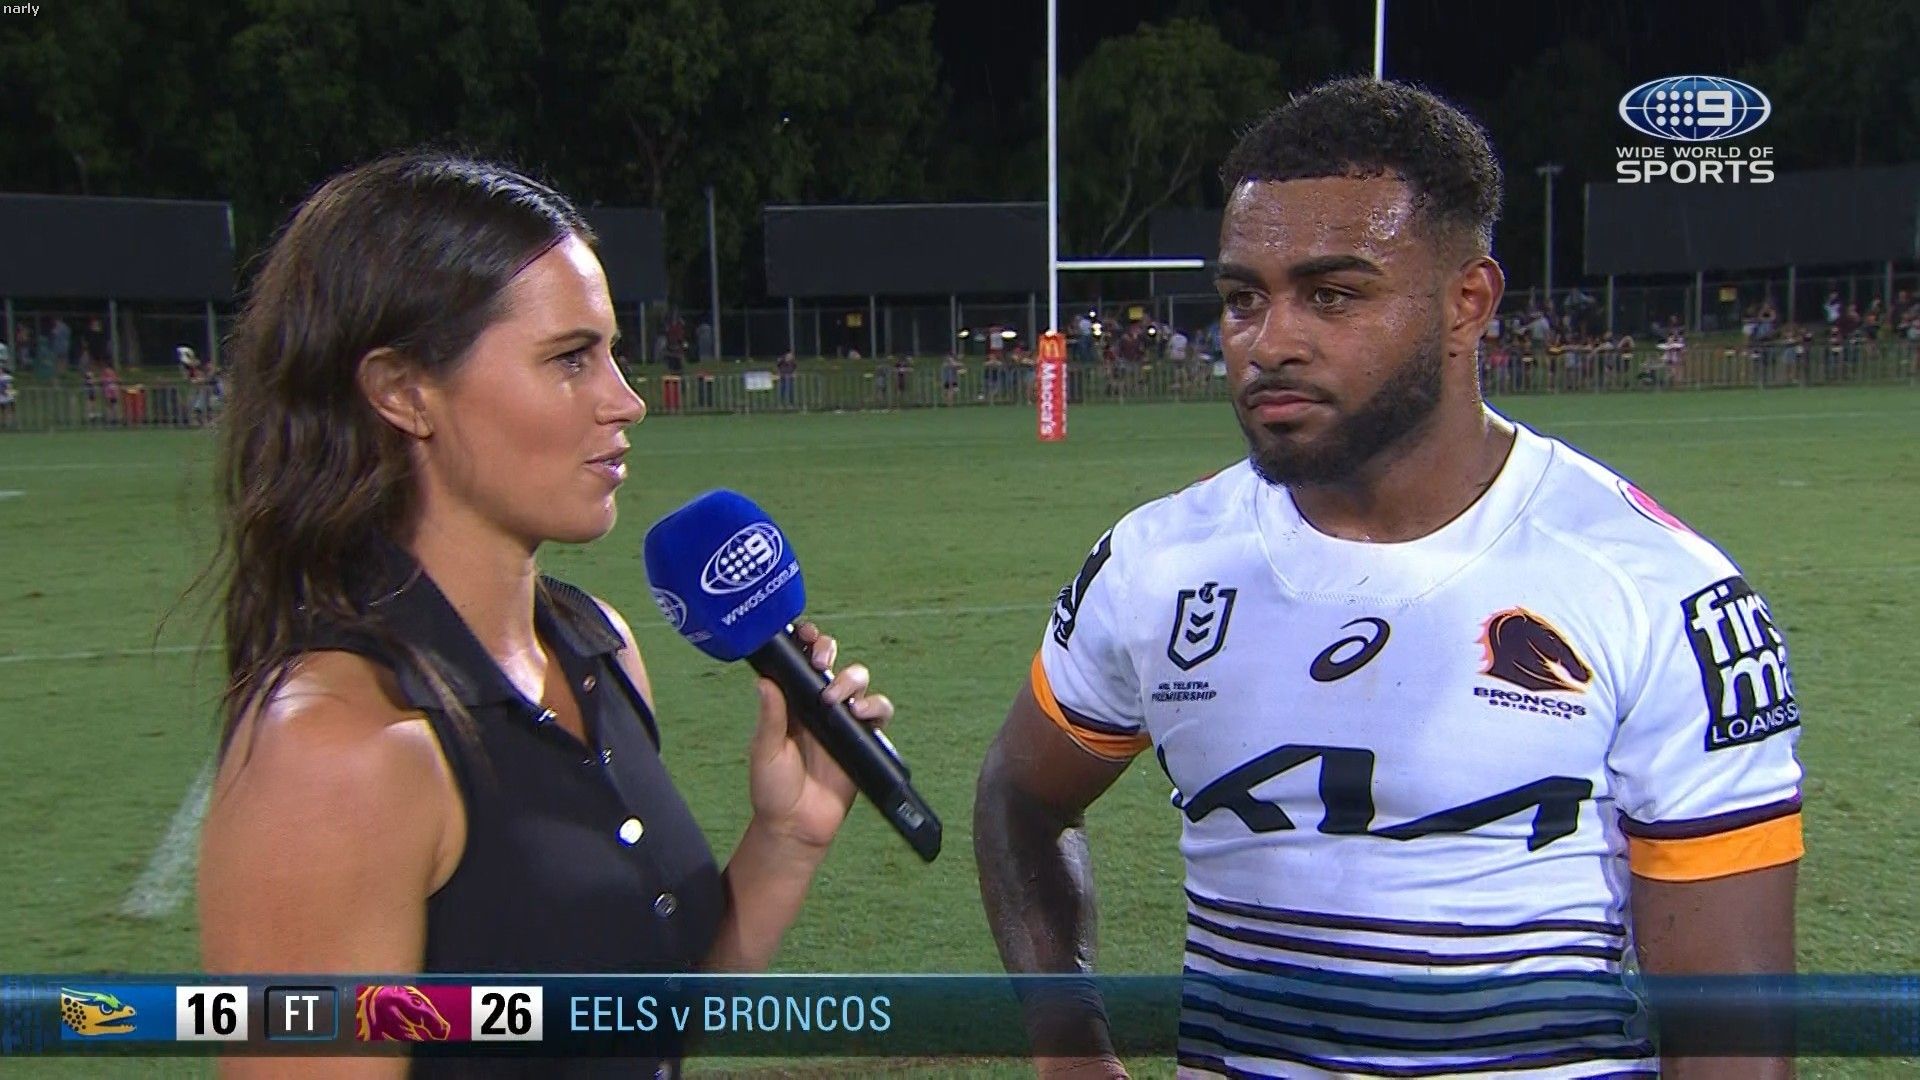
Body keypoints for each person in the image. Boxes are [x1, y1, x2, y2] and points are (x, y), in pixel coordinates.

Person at [975, 79, 1800, 1080]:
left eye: (1332, 295)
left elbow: (1732, 1044)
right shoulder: (1158, 563)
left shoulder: (1659, 591)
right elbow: (1020, 794)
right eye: (1242, 299)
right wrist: (1068, 1044)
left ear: (1468, 303)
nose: (1269, 343)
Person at [197, 152, 895, 1079]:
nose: (626, 400)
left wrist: (785, 842)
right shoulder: (332, 754)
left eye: (612, 351)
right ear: (404, 392)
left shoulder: (599, 647)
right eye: (571, 359)